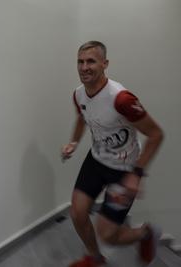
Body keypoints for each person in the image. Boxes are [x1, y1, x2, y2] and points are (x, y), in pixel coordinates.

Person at [62, 41, 164, 267]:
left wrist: (137, 174)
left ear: (105, 64)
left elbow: (156, 135)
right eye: (80, 61)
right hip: (96, 160)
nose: (84, 67)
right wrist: (74, 142)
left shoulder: (122, 98)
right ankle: (95, 259)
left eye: (91, 61)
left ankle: (146, 233)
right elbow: (82, 117)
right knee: (77, 214)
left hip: (123, 170)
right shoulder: (78, 95)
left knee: (108, 235)